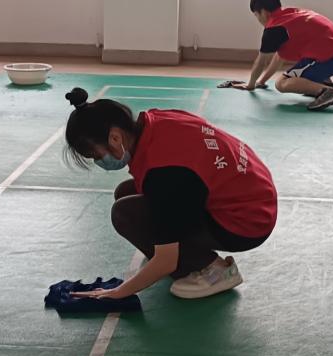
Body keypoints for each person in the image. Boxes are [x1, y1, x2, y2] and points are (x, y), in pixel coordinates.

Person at [63, 88, 278, 301]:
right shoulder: (154, 120)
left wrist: (117, 292)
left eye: (94, 155)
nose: (97, 161)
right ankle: (183, 251)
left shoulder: (164, 174)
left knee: (124, 213)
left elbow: (166, 262)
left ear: (115, 138)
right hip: (252, 190)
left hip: (246, 222)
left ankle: (214, 270)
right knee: (125, 193)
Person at [231, 0, 333, 111]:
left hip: (332, 58)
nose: (258, 19)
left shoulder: (273, 29)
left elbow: (261, 61)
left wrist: (250, 85)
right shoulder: (291, 15)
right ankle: (326, 86)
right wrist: (261, 82)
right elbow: (279, 57)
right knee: (304, 68)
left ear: (263, 12)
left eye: (256, 15)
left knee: (281, 83)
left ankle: (328, 91)